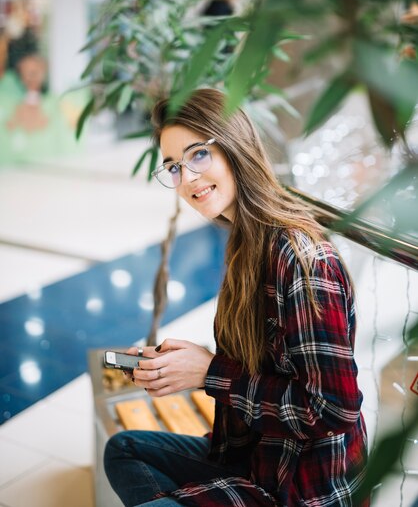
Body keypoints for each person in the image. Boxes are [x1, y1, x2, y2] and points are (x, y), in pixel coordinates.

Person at [104, 87, 369, 507]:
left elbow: (332, 410)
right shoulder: (247, 241)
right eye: (173, 166)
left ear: (234, 144)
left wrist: (210, 373)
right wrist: (191, 363)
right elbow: (268, 363)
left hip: (300, 490)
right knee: (124, 450)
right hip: (257, 458)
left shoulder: (301, 260)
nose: (187, 178)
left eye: (198, 155)